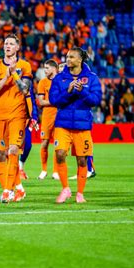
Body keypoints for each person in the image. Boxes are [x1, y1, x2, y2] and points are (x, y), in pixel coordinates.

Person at [50, 47, 101, 203]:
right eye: (67, 56)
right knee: (59, 154)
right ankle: (65, 189)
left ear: (80, 60)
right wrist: (69, 91)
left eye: (71, 57)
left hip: (82, 126)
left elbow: (96, 100)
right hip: (63, 124)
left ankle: (80, 193)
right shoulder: (59, 79)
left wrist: (82, 92)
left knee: (82, 160)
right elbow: (54, 101)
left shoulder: (92, 78)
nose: (68, 59)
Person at [0, 34, 33, 203]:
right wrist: (6, 77)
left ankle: (8, 191)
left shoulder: (25, 66)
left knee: (13, 150)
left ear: (17, 48)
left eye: (11, 44)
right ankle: (18, 188)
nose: (7, 46)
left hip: (17, 116)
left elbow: (25, 90)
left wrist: (15, 75)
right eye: (6, 43)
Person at [37, 59, 59, 180]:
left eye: (47, 68)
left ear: (54, 68)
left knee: (57, 144)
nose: (45, 70)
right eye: (44, 68)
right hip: (47, 116)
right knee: (44, 143)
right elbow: (41, 102)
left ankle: (56, 171)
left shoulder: (60, 81)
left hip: (60, 116)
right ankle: (44, 170)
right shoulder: (42, 82)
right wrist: (55, 102)